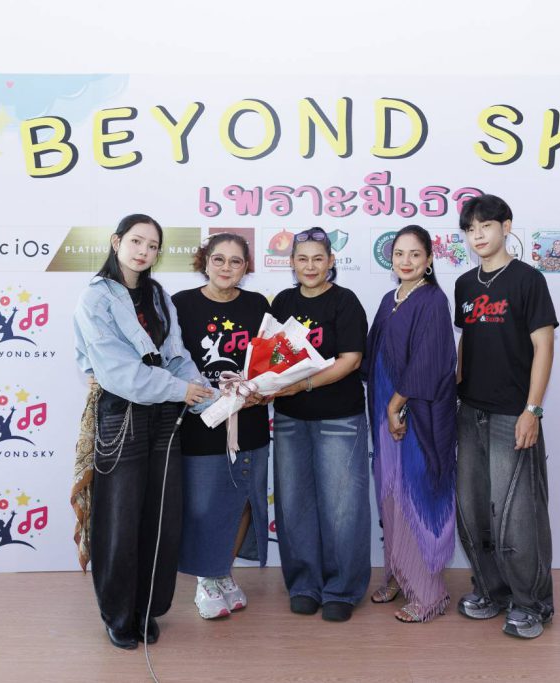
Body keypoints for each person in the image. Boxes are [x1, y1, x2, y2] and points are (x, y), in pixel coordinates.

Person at [73, 213, 215, 650]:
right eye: (136, 241)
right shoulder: (95, 297)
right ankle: (118, 614)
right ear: (116, 242)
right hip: (123, 416)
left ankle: (146, 609)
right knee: (119, 518)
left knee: (161, 517)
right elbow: (117, 372)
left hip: (165, 417)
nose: (144, 252)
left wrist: (206, 394)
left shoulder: (158, 296)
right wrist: (180, 390)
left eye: (152, 246)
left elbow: (177, 356)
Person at [454, 194, 558, 639]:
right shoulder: (464, 284)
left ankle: (532, 603)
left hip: (511, 414)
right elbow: (466, 342)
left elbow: (544, 346)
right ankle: (491, 591)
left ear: (506, 227)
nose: (478, 236)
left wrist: (532, 410)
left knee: (518, 514)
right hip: (470, 412)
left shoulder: (528, 279)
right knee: (474, 509)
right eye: (470, 229)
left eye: (486, 226)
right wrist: (456, 393)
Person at [269, 227, 370, 622]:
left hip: (338, 418)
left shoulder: (345, 302)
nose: (310, 266)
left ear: (331, 262)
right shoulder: (283, 302)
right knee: (293, 505)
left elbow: (351, 360)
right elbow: (272, 357)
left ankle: (342, 589)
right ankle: (304, 585)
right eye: (302, 259)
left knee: (342, 508)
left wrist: (303, 384)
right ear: (292, 263)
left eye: (317, 259)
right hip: (290, 419)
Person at [172, 233, 272, 620]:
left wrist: (264, 390)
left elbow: (270, 360)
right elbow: (170, 360)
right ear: (204, 261)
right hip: (201, 419)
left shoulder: (257, 304)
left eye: (235, 261)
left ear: (246, 267)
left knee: (243, 498)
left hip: (249, 417)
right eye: (219, 259)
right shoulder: (181, 304)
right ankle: (205, 578)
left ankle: (222, 572)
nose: (226, 267)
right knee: (203, 504)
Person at [364, 224, 457, 623]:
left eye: (415, 254)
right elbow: (373, 354)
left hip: (418, 414)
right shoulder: (391, 299)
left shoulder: (433, 300)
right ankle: (399, 573)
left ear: (429, 260)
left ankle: (429, 592)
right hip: (385, 411)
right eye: (399, 254)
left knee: (417, 493)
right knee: (391, 493)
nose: (406, 261)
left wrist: (396, 406)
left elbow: (429, 362)